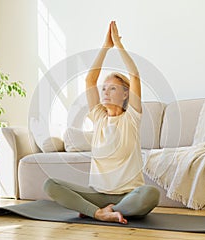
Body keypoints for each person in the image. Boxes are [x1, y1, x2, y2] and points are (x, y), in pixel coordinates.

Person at [44, 21, 160, 224]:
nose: (105, 92)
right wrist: (105, 47)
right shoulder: (98, 117)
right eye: (104, 88)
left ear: (126, 94)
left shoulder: (131, 118)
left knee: (150, 194)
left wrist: (119, 45)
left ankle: (106, 210)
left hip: (129, 196)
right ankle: (99, 213)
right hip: (97, 194)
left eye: (112, 88)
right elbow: (90, 80)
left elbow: (134, 76)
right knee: (50, 184)